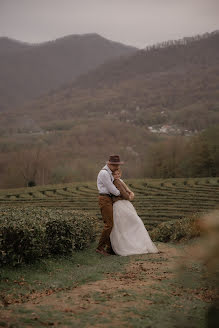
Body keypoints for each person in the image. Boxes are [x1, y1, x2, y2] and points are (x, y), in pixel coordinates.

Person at [110, 168, 159, 256]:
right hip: (120, 205)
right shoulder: (116, 182)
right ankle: (130, 246)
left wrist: (130, 193)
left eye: (118, 174)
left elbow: (126, 190)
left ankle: (133, 244)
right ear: (112, 175)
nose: (117, 176)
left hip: (124, 204)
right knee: (131, 223)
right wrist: (129, 197)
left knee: (127, 225)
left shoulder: (120, 181)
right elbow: (123, 193)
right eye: (115, 174)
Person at [96, 154, 129, 256]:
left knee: (112, 224)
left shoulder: (110, 172)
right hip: (105, 198)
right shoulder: (104, 173)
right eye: (115, 165)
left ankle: (111, 248)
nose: (117, 167)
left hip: (109, 198)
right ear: (109, 164)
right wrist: (122, 195)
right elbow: (112, 189)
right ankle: (99, 247)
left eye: (117, 165)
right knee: (109, 224)